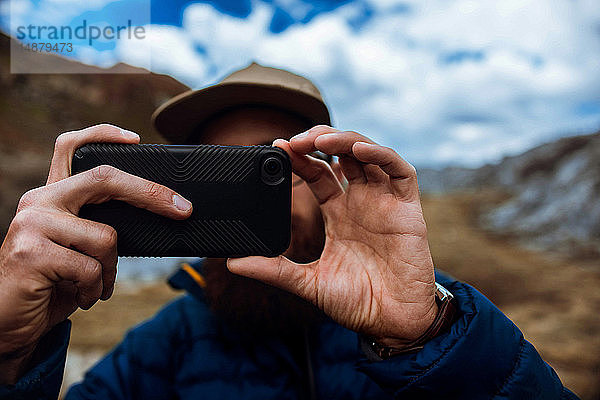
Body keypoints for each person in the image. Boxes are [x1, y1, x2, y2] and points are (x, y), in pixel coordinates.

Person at [0, 63, 578, 399]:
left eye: (273, 174)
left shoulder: (431, 320)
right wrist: (9, 353)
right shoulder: (163, 345)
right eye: (218, 177)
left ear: (329, 175)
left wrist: (428, 340)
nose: (250, 211)